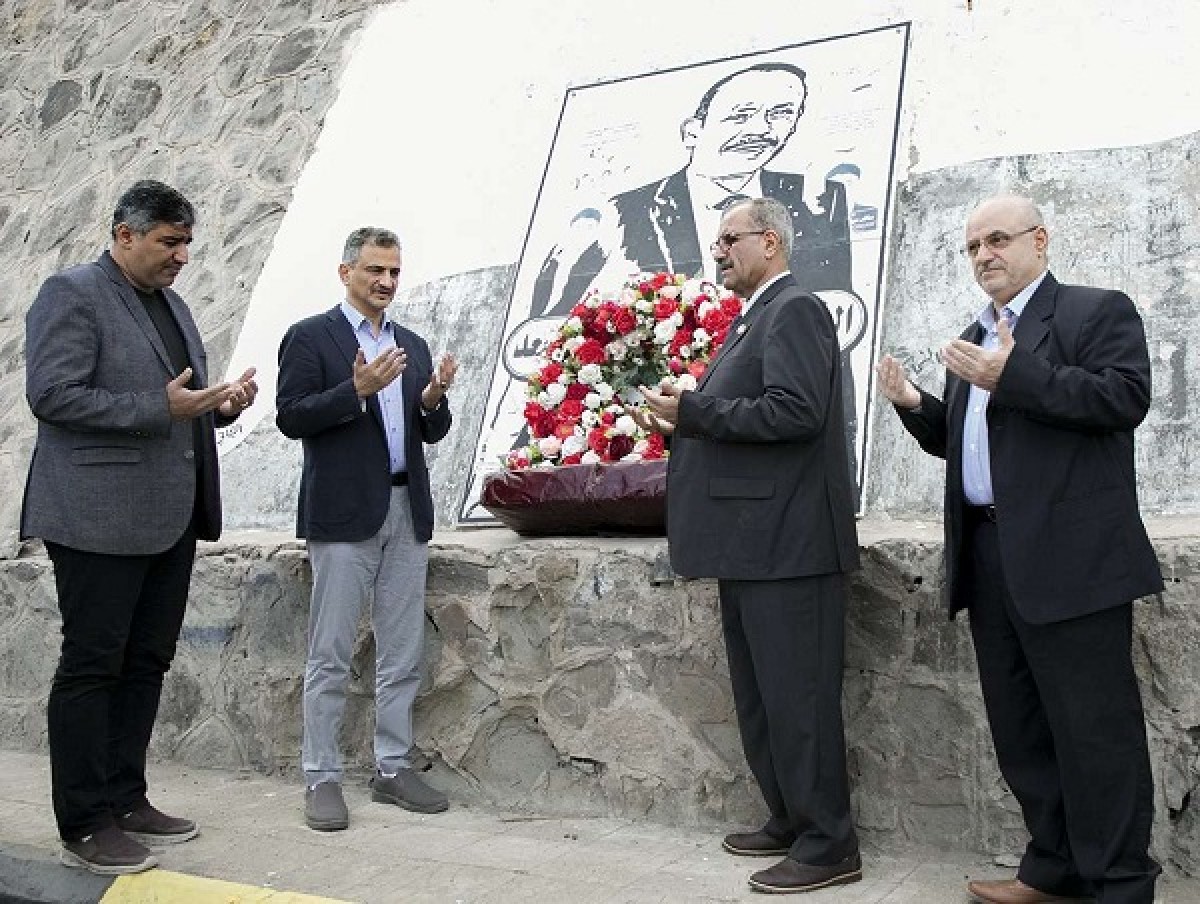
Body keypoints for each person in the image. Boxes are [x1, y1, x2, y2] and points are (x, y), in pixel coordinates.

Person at [877, 195, 1163, 904]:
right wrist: (917, 405)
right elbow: (973, 444)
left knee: (1096, 734)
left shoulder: (1095, 312)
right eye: (972, 247)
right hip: (991, 554)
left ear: (1040, 240)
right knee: (1022, 731)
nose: (984, 256)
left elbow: (1123, 399)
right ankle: (1053, 868)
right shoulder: (976, 334)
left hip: (1073, 562)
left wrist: (1016, 377)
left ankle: (1121, 886)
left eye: (997, 240)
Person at [21, 180, 258, 875]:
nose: (181, 256)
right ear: (124, 234)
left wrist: (221, 406)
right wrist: (162, 408)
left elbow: (177, 403)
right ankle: (85, 822)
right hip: (95, 517)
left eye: (186, 242)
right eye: (168, 242)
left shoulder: (173, 305)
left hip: (167, 517)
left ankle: (127, 798)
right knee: (93, 665)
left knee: (146, 661)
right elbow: (53, 395)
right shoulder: (71, 293)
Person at [630, 197, 861, 894]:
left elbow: (795, 412)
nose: (719, 249)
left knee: (799, 700)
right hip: (754, 546)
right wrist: (691, 411)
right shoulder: (757, 314)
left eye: (729, 238)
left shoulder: (795, 309)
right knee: (763, 698)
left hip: (790, 545)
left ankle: (830, 846)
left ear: (770, 240)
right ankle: (791, 818)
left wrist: (694, 411)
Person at [276, 227, 457, 831]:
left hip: (408, 511)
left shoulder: (413, 345)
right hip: (343, 512)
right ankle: (322, 777)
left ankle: (392, 768)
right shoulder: (310, 337)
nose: (386, 282)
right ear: (346, 271)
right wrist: (354, 390)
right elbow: (291, 416)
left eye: (395, 272)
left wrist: (432, 399)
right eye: (375, 270)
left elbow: (429, 432)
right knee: (329, 653)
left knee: (402, 651)